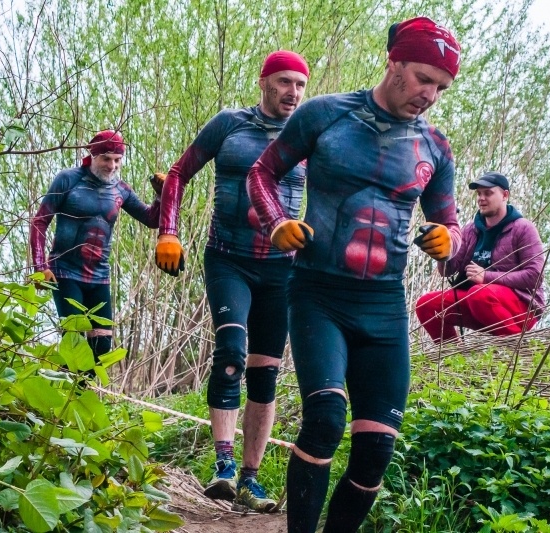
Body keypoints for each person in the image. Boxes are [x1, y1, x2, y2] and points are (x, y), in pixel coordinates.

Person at [247, 17, 461, 533]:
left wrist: (448, 241)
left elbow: (450, 222)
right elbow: (262, 173)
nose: (429, 94)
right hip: (318, 292)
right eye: (422, 77)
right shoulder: (325, 115)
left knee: (376, 450)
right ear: (393, 64)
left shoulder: (435, 147)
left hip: (384, 304)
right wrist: (277, 223)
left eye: (441, 86)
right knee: (324, 421)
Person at [154, 51, 310, 513]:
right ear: (263, 82)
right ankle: (222, 467)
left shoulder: (307, 133)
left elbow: (332, 192)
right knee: (230, 353)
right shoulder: (229, 124)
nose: (293, 93)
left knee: (266, 372)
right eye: (284, 82)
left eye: (300, 86)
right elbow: (180, 173)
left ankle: (250, 479)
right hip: (228, 259)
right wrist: (168, 230)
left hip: (282, 266)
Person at [30, 130, 162, 369]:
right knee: (74, 339)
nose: (112, 166)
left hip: (99, 276)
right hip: (65, 271)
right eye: (106, 158)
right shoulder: (68, 179)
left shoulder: (121, 190)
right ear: (93, 156)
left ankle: (79, 394)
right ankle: (66, 397)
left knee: (101, 344)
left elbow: (151, 219)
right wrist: (41, 266)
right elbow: (40, 221)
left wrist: (162, 195)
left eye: (117, 160)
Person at [415, 171, 545, 343]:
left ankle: (520, 349)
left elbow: (535, 276)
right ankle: (451, 356)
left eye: (488, 193)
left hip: (520, 308)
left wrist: (486, 277)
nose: (481, 198)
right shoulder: (470, 230)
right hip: (477, 303)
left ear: (505, 195)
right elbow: (448, 271)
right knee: (426, 305)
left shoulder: (523, 228)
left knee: (478, 293)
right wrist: (442, 249)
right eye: (479, 193)